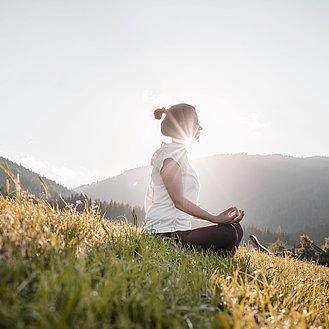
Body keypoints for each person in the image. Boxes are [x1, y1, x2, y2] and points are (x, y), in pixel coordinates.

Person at [144, 103, 245, 256]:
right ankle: (218, 254)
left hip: (180, 231)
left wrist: (220, 219)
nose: (200, 127)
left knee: (236, 228)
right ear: (184, 124)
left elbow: (183, 209)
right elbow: (178, 201)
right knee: (228, 234)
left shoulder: (181, 157)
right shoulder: (170, 156)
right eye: (196, 122)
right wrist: (214, 218)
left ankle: (219, 255)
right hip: (163, 235)